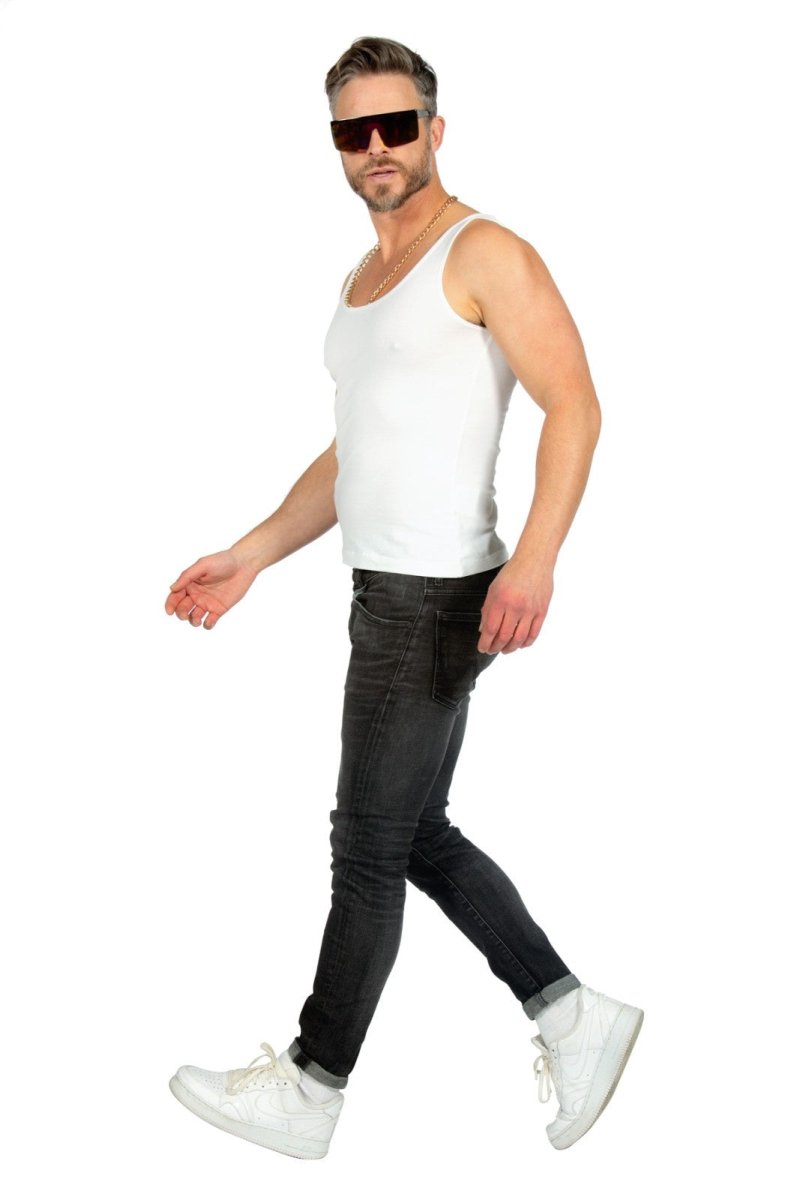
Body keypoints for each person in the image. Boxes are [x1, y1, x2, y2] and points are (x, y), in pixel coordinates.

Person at [165, 36, 643, 1161]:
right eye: (354, 131)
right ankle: (572, 1011)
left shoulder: (485, 251)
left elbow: (574, 405)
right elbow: (355, 455)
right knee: (411, 831)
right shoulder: (362, 282)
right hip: (382, 590)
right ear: (337, 144)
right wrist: (250, 554)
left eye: (395, 125)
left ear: (434, 129)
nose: (376, 147)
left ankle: (313, 1082)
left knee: (367, 848)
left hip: (434, 597)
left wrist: (535, 559)